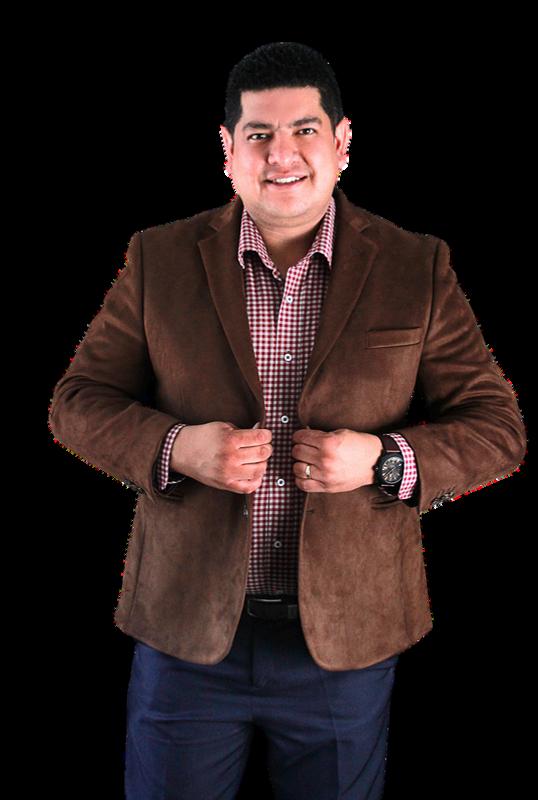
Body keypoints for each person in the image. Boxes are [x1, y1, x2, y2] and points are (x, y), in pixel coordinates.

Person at [48, 42, 527, 800]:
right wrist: (176, 447)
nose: (282, 154)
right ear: (228, 150)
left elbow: (497, 427)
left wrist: (385, 459)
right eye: (260, 134)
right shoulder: (158, 257)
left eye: (304, 130)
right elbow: (76, 402)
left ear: (341, 142)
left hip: (347, 642)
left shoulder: (417, 264)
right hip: (185, 633)